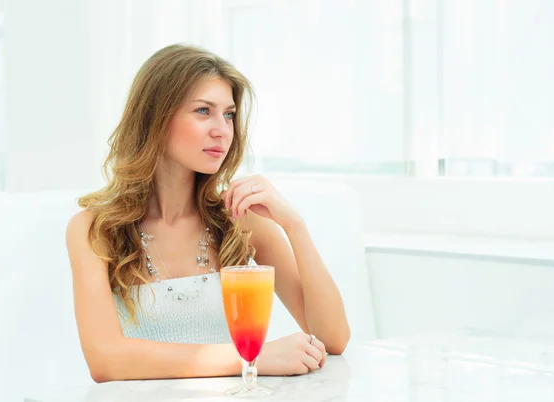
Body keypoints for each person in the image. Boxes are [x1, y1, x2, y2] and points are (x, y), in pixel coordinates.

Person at [65, 44, 350, 383]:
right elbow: (105, 360)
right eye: (203, 111)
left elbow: (333, 338)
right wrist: (252, 358)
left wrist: (293, 225)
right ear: (155, 118)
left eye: (229, 115)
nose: (222, 130)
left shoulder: (239, 219)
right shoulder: (94, 229)